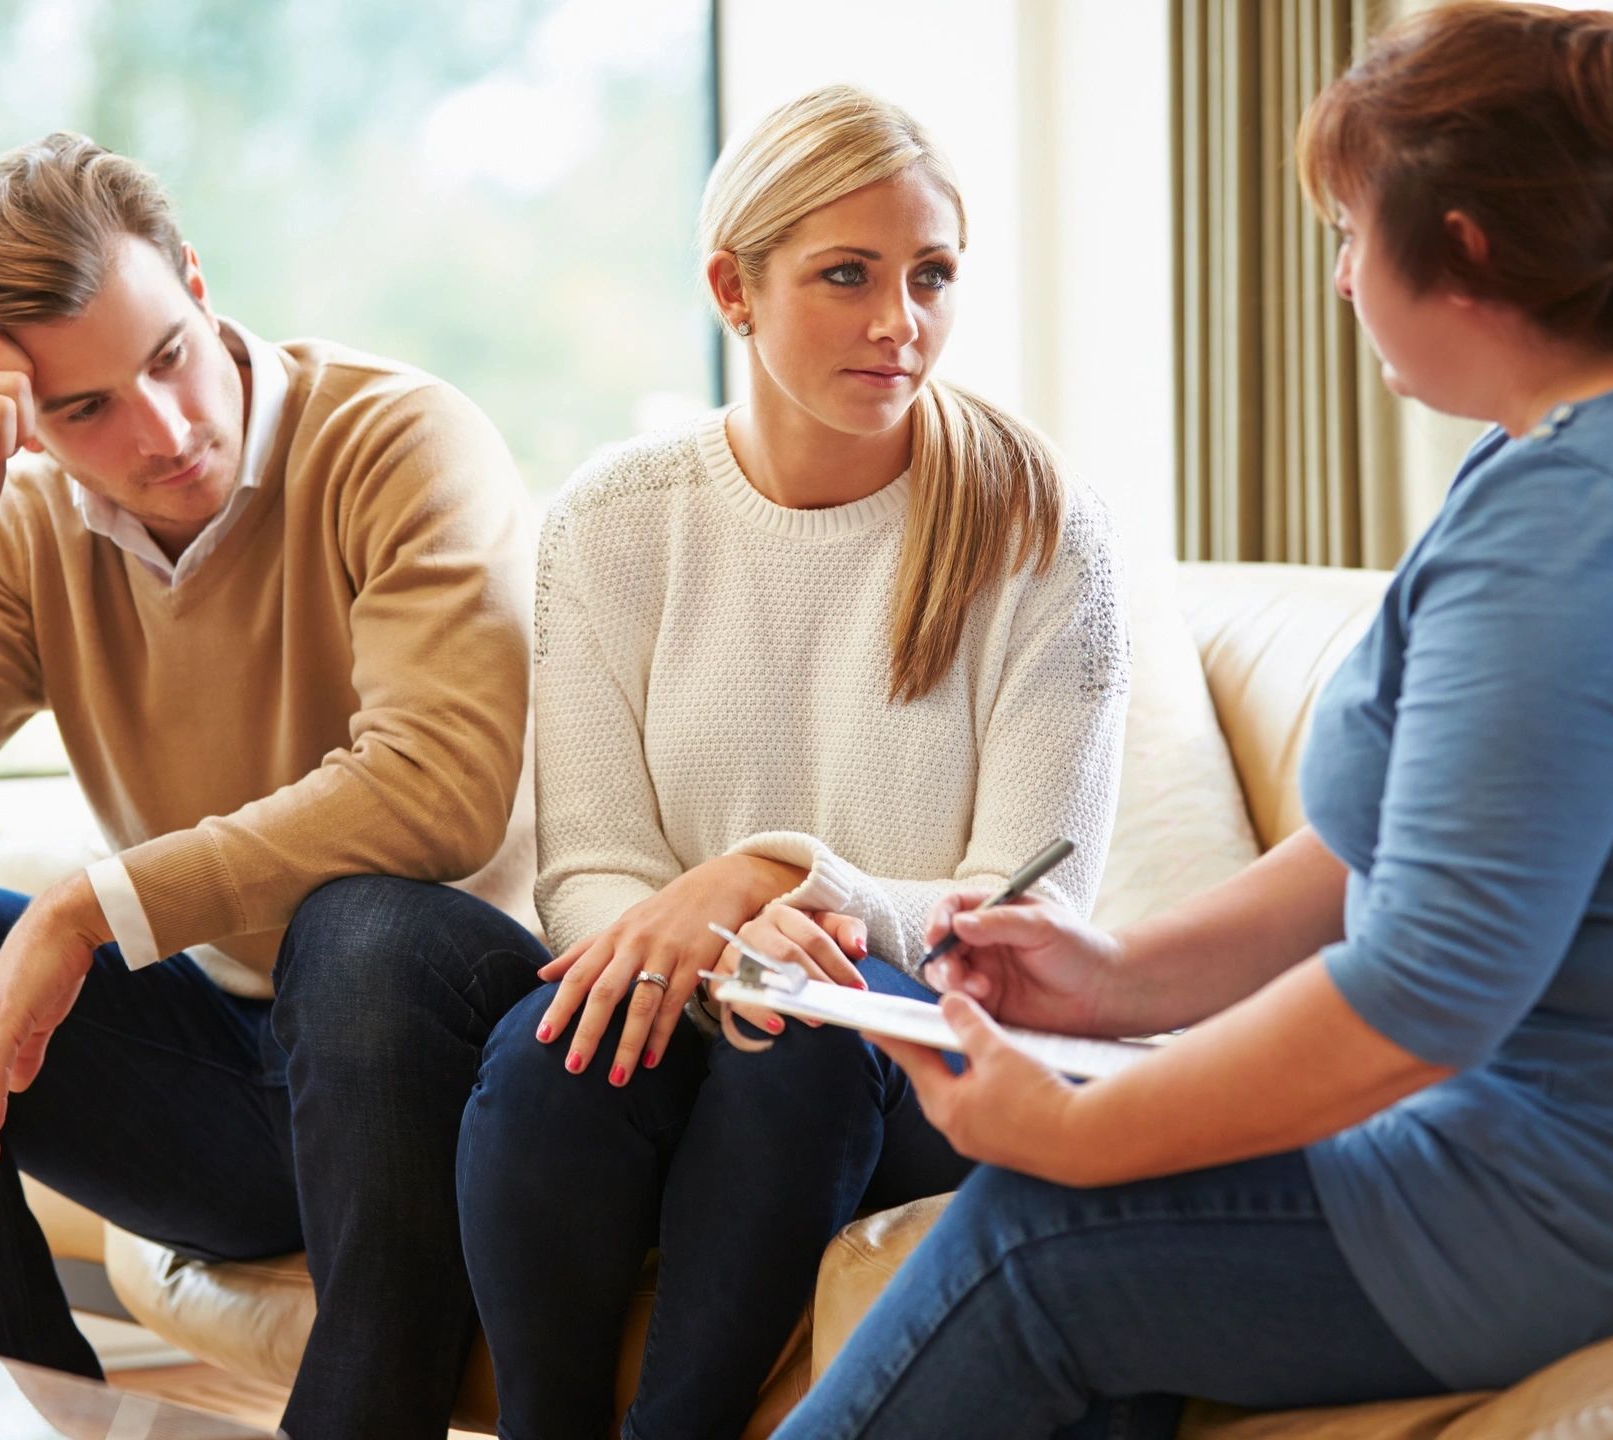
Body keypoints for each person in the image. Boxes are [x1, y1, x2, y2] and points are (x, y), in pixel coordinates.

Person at [772, 5, 1613, 1437]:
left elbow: (1426, 987)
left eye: (1355, 232)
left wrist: (1078, 1125)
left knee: (1042, 1243)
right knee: (1092, 1238)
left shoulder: (1582, 525)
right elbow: (1405, 850)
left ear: (1469, 247)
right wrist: (1118, 979)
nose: (1343, 278)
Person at [0, 133, 544, 1440]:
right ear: (12, 418)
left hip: (455, 1058)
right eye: (85, 409)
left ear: (196, 280)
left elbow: (437, 788)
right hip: (243, 1078)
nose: (166, 430)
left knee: (360, 925)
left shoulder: (401, 439)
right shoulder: (22, 535)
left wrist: (88, 911)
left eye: (167, 355)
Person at [454, 85, 1129, 1440]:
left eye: (931, 276)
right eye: (848, 277)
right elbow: (591, 866)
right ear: (733, 289)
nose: (903, 324)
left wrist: (792, 883)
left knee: (802, 1036)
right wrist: (709, 936)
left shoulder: (1038, 529)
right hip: (702, 997)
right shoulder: (617, 519)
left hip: (928, 1046)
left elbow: (1027, 909)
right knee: (548, 1058)